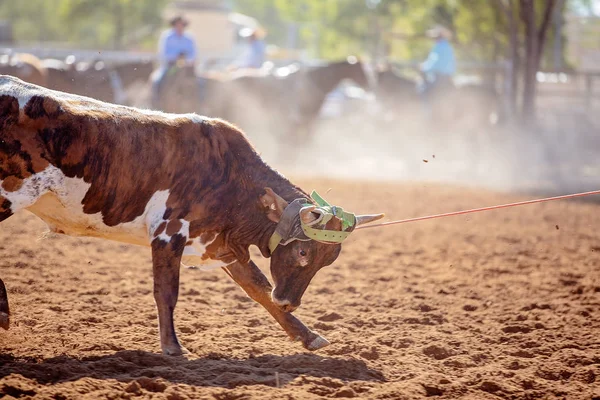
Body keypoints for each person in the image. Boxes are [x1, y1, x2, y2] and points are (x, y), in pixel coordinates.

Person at [151, 15, 197, 108]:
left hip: (186, 68)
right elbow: (163, 53)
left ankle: (201, 104)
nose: (180, 27)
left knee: (200, 83)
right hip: (170, 66)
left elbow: (193, 54)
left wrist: (186, 59)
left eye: (182, 25)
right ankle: (157, 103)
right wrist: (176, 57)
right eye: (178, 24)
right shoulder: (167, 37)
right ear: (174, 25)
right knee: (157, 81)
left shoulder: (189, 38)